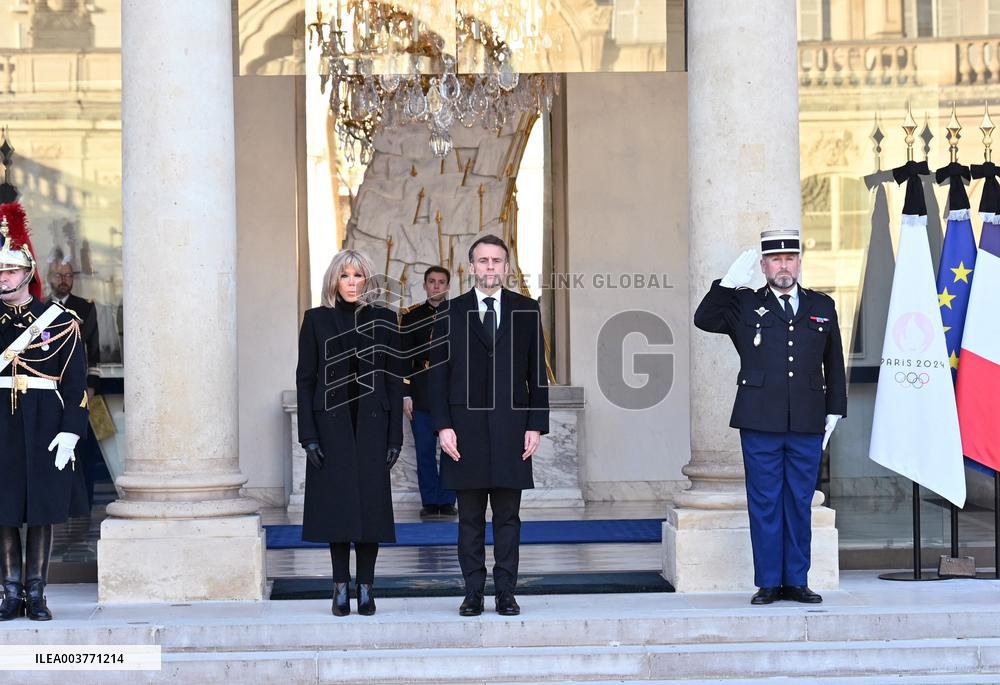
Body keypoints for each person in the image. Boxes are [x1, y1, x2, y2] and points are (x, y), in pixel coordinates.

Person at [693, 229, 847, 606]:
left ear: (799, 263)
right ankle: (768, 582)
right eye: (775, 260)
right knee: (764, 501)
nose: (784, 266)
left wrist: (835, 409)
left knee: (799, 501)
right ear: (763, 266)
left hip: (808, 419)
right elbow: (704, 319)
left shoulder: (821, 305)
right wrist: (727, 284)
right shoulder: (744, 305)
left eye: (790, 258)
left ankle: (797, 580)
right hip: (759, 419)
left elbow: (834, 361)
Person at [427, 234, 549, 617]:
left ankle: (506, 593)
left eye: (497, 260)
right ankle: (473, 593)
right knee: (469, 519)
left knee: (509, 518)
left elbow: (537, 374)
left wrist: (536, 425)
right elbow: (438, 377)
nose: (490, 267)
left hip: (513, 429)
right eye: (483, 260)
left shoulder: (528, 310)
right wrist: (443, 427)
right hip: (465, 432)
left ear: (507, 267)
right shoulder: (449, 312)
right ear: (471, 266)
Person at [295, 249, 403, 617]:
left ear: (368, 280)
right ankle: (340, 584)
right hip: (330, 428)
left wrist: (395, 437)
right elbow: (306, 380)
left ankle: (367, 586)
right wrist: (307, 434)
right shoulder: (316, 320)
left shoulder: (386, 319)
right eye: (345, 276)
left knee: (370, 510)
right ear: (334, 280)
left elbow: (392, 378)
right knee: (337, 509)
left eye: (358, 275)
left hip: (373, 426)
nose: (352, 282)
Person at [0, 202, 88, 621]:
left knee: (41, 510)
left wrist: (71, 431)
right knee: (2, 508)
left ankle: (36, 592)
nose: (4, 276)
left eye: (11, 270)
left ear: (28, 271)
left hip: (44, 423)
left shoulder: (59, 320)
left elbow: (75, 386)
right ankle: (9, 590)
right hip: (0, 422)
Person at [400, 265, 456, 519]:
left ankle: (447, 499)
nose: (436, 286)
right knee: (424, 449)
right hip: (421, 390)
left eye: (441, 282)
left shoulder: (459, 313)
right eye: (431, 281)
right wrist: (405, 392)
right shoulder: (412, 317)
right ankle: (430, 500)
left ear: (448, 285)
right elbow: (403, 358)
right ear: (424, 285)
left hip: (450, 391)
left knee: (451, 449)